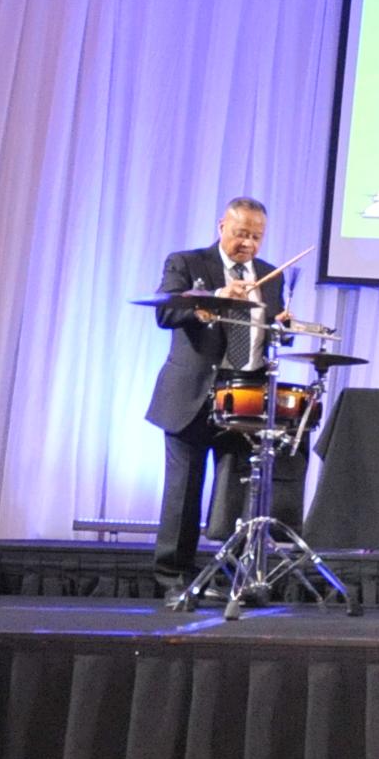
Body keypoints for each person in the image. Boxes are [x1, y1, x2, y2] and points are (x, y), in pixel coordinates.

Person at [146, 196, 303, 604]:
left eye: (256, 236)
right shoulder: (187, 263)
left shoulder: (269, 275)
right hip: (193, 395)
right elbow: (165, 313)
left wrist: (282, 326)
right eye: (241, 234)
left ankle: (231, 577)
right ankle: (173, 578)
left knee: (236, 495)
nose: (248, 243)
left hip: (244, 397)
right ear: (221, 227)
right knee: (184, 491)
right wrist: (213, 297)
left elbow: (267, 333)